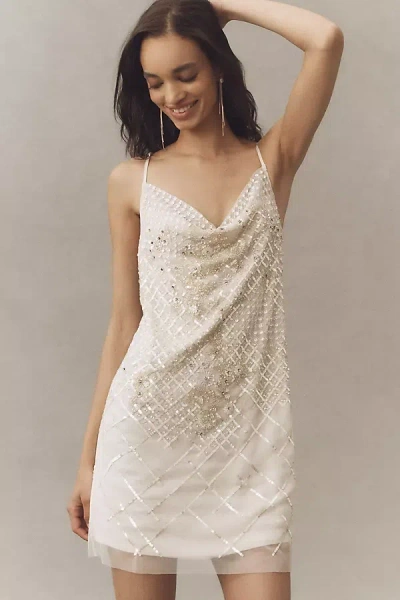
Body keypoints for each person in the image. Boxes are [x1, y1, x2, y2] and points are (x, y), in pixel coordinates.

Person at [67, 0, 344, 598]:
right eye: (155, 82)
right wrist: (88, 460)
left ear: (218, 66)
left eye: (185, 74)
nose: (171, 95)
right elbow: (124, 323)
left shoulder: (273, 161)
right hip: (144, 437)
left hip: (249, 448)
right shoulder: (131, 181)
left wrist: (218, 5)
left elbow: (325, 39)